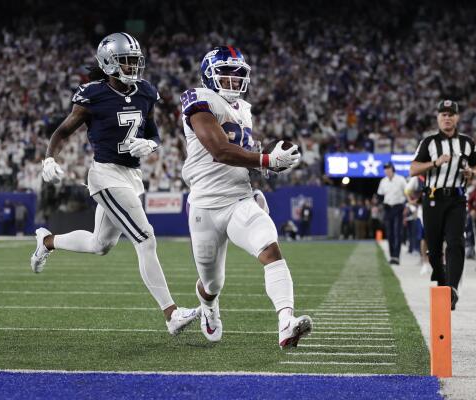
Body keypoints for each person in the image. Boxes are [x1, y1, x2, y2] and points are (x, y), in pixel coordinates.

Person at [30, 33, 199, 335]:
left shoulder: (146, 91)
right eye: (126, 61)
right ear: (108, 62)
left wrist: (151, 144)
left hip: (131, 176)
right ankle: (171, 314)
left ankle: (47, 241)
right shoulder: (93, 95)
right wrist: (49, 158)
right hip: (105, 175)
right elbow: (63, 131)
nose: (133, 66)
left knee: (101, 244)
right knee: (145, 238)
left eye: (135, 60)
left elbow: (154, 132)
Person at [179, 46, 312, 348]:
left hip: (239, 199)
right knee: (212, 283)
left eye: (238, 73)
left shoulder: (245, 109)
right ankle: (208, 307)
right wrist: (266, 160)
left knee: (270, 250)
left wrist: (265, 164)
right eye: (226, 73)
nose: (233, 79)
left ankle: (285, 322)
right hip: (205, 206)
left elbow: (244, 150)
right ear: (209, 76)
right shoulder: (197, 99)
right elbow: (220, 150)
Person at [410, 100, 476, 310]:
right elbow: (413, 169)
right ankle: (443, 283)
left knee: (456, 242)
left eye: (451, 114)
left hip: (457, 199)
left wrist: (472, 173)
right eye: (443, 114)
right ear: (438, 118)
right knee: (433, 247)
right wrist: (435, 163)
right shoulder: (429, 143)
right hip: (432, 198)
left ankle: (452, 288)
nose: (447, 118)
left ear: (457, 118)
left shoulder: (467, 143)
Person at [377, 162, 407, 264]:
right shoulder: (383, 181)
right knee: (389, 233)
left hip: (398, 207)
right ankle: (392, 256)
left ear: (392, 169)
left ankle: (396, 256)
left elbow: (406, 192)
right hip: (388, 208)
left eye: (388, 168)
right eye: (385, 169)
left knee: (397, 232)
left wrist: (405, 206)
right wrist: (381, 205)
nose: (387, 170)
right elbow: (380, 195)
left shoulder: (401, 179)